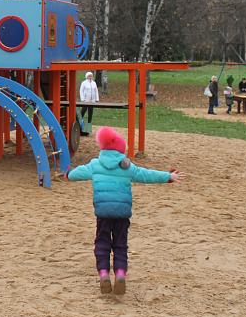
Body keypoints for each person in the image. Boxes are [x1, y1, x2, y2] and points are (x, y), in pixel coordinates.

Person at [66, 126, 186, 295]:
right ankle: (120, 274)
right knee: (120, 244)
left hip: (103, 213)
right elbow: (147, 175)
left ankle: (104, 274)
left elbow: (76, 174)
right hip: (122, 212)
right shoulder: (127, 167)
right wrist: (168, 177)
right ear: (120, 150)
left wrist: (68, 175)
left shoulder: (95, 165)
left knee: (102, 242)